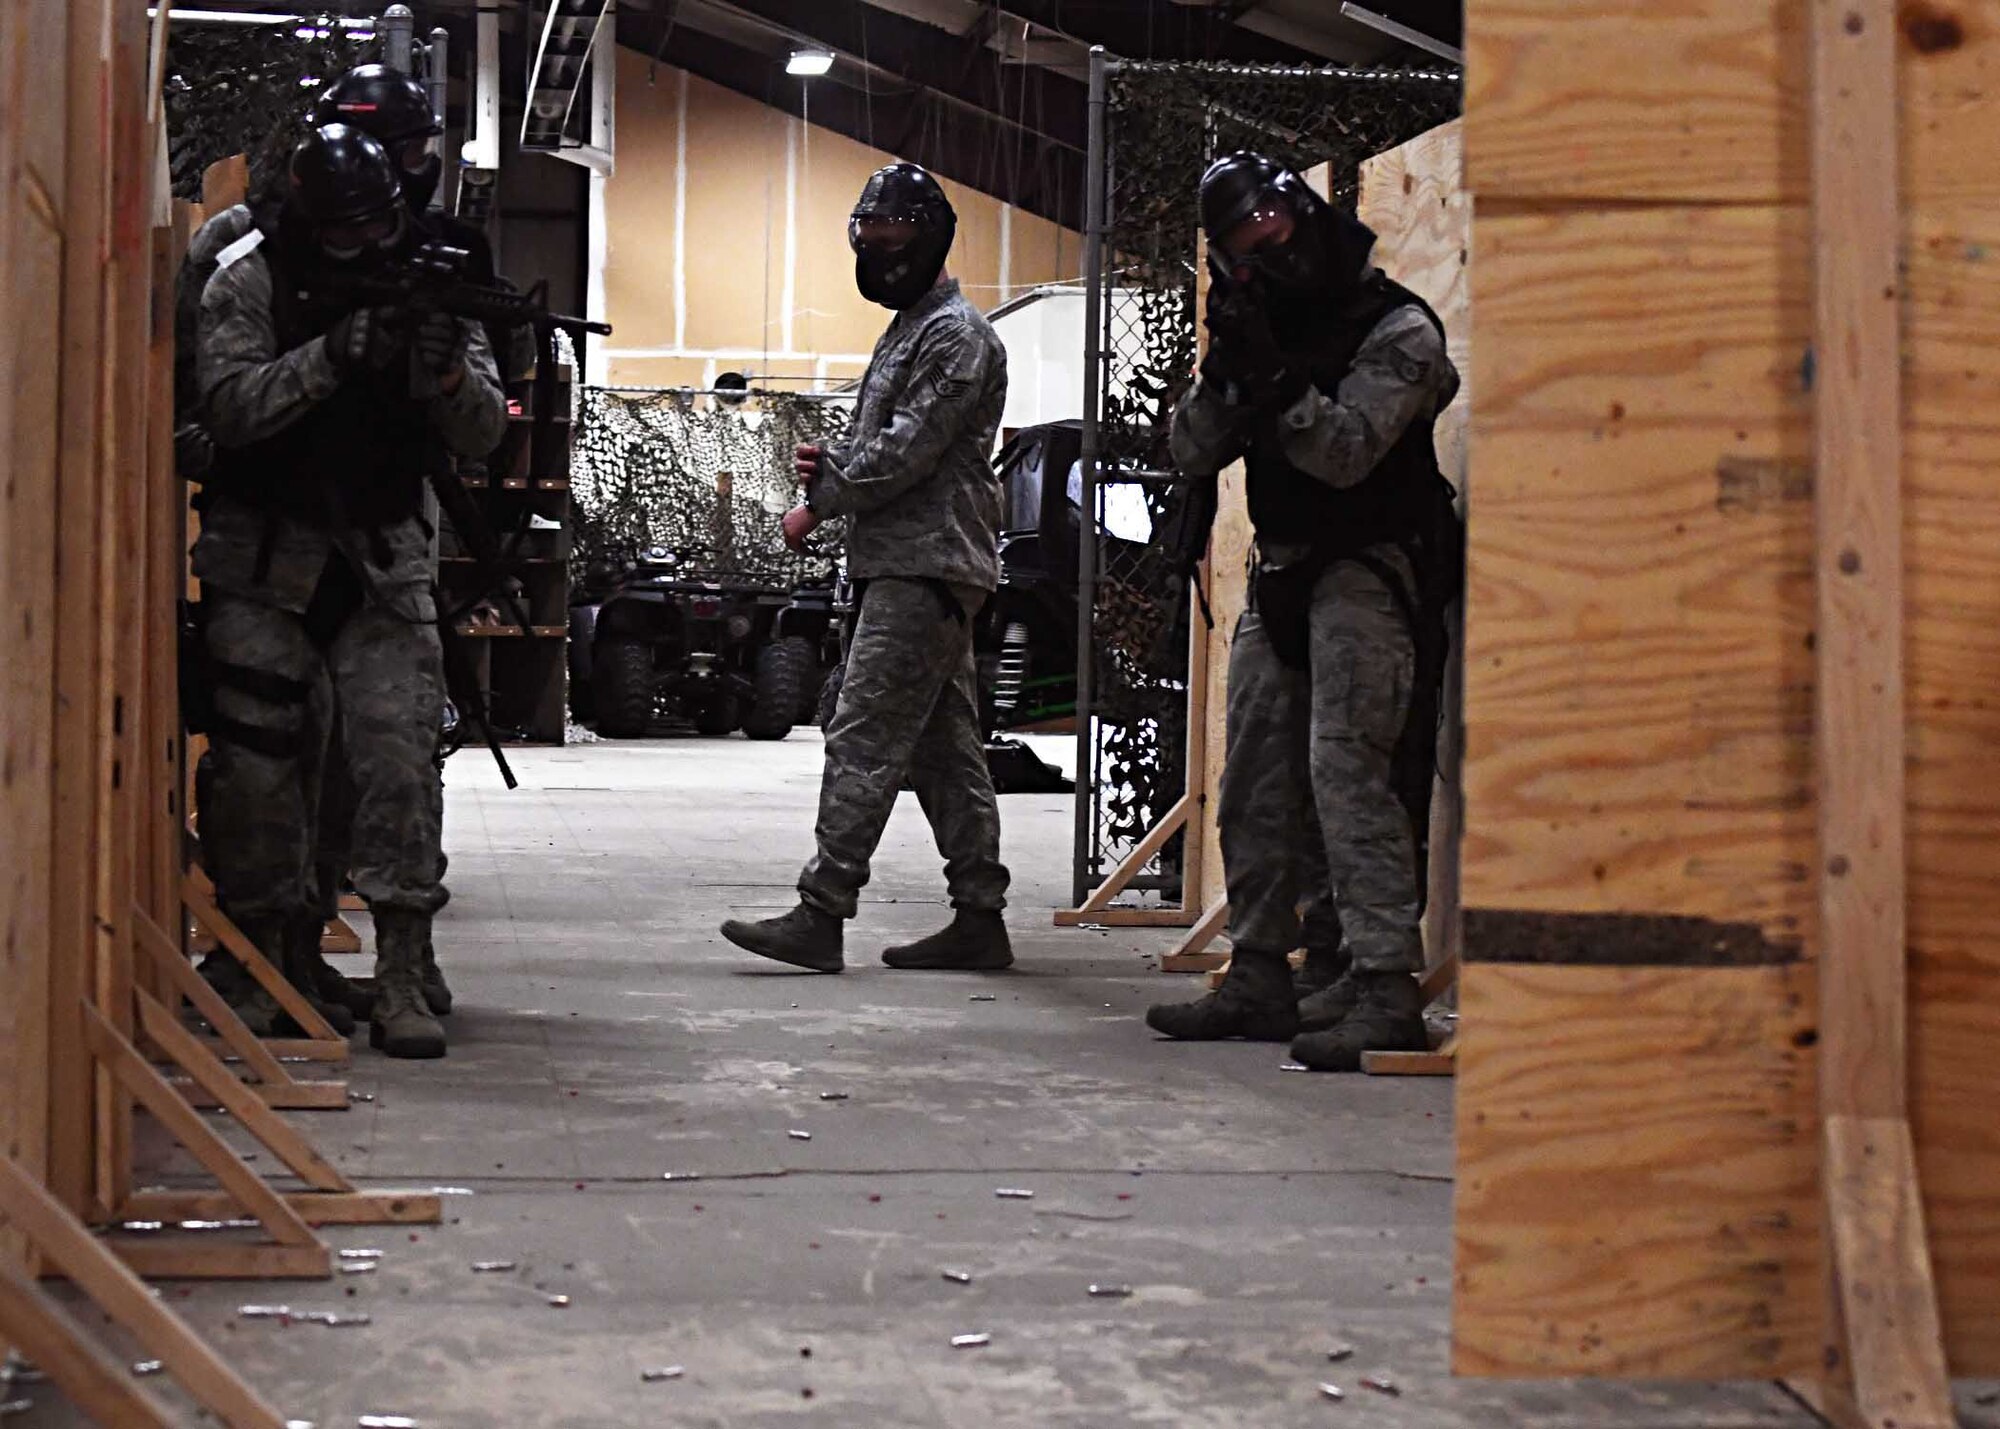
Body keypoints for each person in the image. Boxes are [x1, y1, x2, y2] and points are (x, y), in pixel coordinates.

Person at [193, 123, 506, 1058]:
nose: (368, 244)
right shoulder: (250, 276)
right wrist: (333, 354)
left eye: (380, 225)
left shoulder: (429, 279)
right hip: (264, 564)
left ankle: (405, 965)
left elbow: (484, 430)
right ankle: (264, 964)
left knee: (399, 764)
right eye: (348, 231)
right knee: (255, 776)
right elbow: (227, 408)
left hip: (381, 564)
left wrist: (441, 369)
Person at [1144, 151, 1461, 1071]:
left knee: (1350, 774)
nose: (1266, 252)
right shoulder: (1264, 324)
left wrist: (1280, 385)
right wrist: (1229, 371)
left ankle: (1384, 984)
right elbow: (1190, 449)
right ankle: (1259, 970)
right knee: (1252, 777)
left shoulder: (1398, 327)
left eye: (1270, 229)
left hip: (1369, 567)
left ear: (1301, 214)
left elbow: (1347, 453)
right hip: (1281, 569)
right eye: (1243, 246)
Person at [719, 162, 1012, 975]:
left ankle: (821, 911)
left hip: (927, 563)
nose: (879, 251)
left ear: (929, 239)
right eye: (869, 235)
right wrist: (834, 463)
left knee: (862, 731)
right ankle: (979, 916)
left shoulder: (956, 335)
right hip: (913, 562)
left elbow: (909, 450)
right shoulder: (913, 329)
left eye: (893, 236)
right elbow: (885, 440)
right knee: (943, 748)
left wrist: (821, 499)